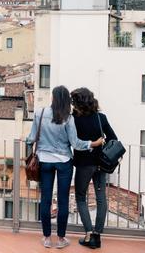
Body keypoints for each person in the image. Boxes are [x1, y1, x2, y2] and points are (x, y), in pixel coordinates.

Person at [27, 86, 104, 249]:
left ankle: (47, 238)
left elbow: (31, 138)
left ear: (53, 98)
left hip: (44, 161)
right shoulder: (68, 118)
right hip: (64, 162)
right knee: (63, 201)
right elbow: (76, 143)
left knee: (46, 199)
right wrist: (93, 143)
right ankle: (61, 239)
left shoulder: (40, 113)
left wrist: (27, 143)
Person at [71, 87, 118, 249]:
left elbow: (71, 141)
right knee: (100, 198)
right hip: (100, 164)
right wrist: (102, 143)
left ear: (77, 102)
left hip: (83, 165)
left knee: (81, 197)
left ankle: (88, 234)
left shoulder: (74, 119)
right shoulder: (100, 118)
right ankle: (97, 236)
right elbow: (114, 138)